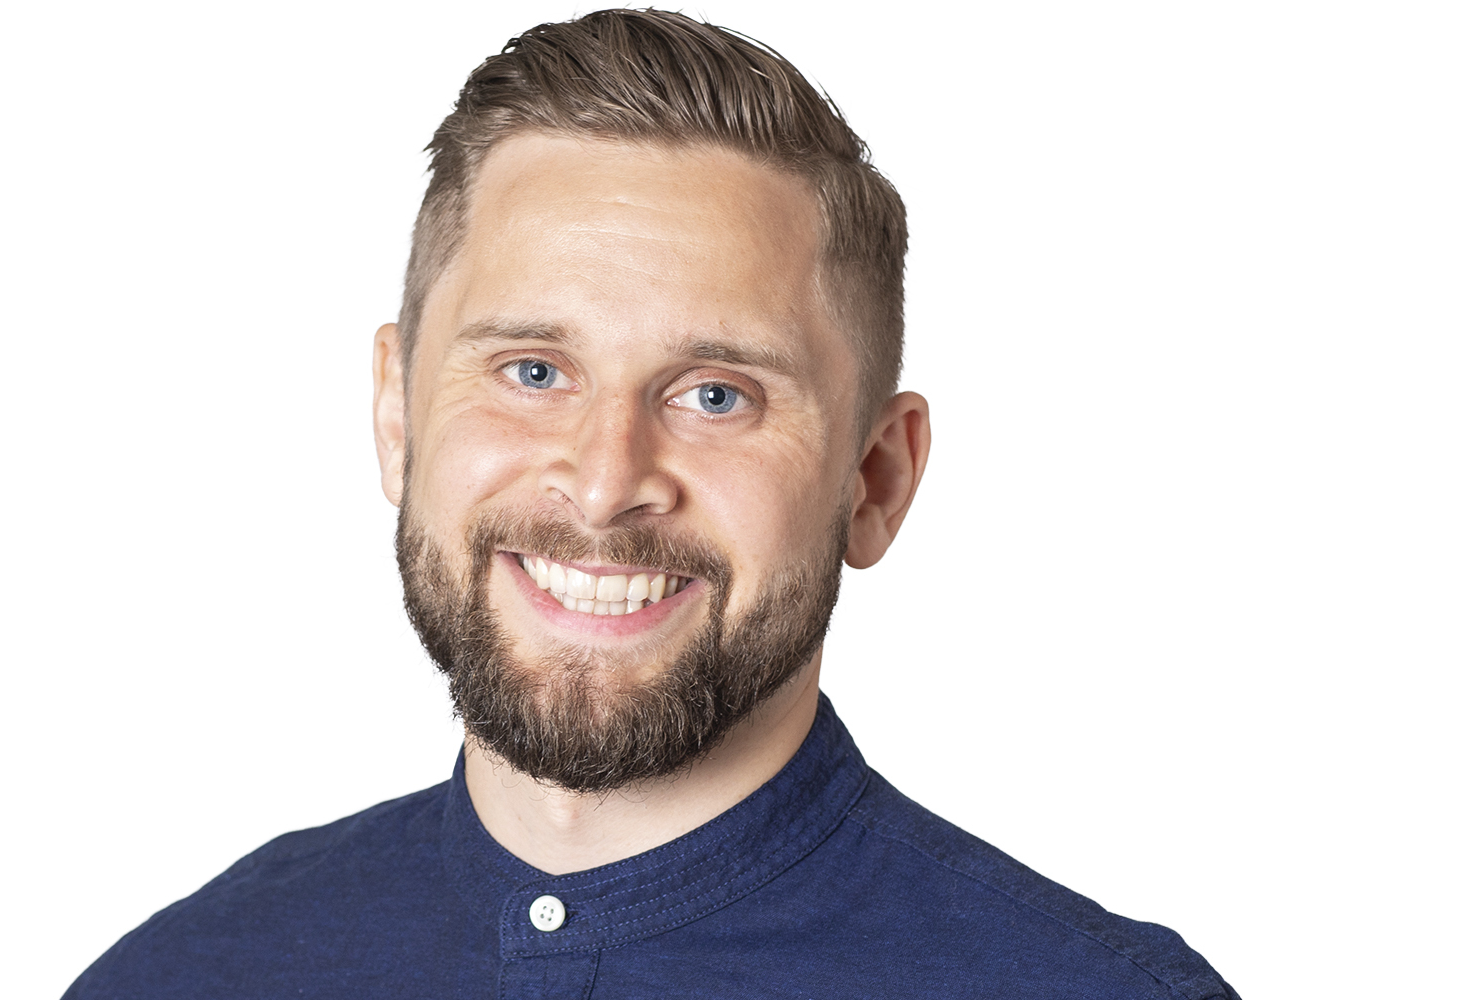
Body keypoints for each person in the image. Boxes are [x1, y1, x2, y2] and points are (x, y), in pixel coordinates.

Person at [65, 9, 1238, 998]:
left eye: (715, 394)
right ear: (396, 413)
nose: (604, 479)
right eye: (533, 370)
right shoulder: (176, 977)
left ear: (875, 478)